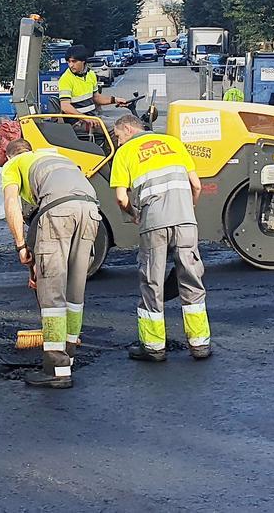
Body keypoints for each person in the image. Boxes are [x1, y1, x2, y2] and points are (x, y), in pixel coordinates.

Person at [108, 115, 211, 362]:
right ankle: (200, 344)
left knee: (152, 281)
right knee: (191, 278)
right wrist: (189, 209)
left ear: (129, 129)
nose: (118, 141)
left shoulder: (124, 153)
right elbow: (196, 185)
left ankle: (154, 347)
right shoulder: (174, 143)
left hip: (153, 222)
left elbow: (121, 198)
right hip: (185, 221)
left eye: (118, 135)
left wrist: (134, 215)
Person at [1, 138, 101, 389]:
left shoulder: (14, 164)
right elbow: (41, 215)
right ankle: (69, 354)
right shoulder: (56, 159)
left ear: (9, 156)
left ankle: (56, 369)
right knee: (74, 289)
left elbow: (12, 204)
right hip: (90, 209)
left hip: (59, 210)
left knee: (53, 290)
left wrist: (21, 245)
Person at [58, 45, 128, 118]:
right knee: (119, 126)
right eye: (69, 62)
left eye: (74, 61)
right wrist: (86, 118)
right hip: (77, 121)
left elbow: (96, 98)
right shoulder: (65, 79)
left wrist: (115, 100)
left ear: (83, 61)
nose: (71, 65)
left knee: (123, 123)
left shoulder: (91, 74)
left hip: (93, 117)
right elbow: (65, 106)